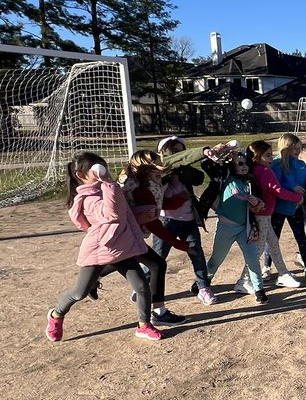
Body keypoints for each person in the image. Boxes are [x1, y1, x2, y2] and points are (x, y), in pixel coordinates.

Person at [45, 152, 163, 342]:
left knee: (141, 286)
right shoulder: (88, 199)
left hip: (122, 247)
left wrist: (143, 213)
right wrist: (109, 183)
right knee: (79, 292)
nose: (102, 173)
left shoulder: (107, 189)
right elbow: (113, 214)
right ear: (81, 175)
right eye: (95, 170)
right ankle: (56, 315)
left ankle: (144, 325)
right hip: (99, 251)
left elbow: (124, 213)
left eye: (103, 167)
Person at [119, 150, 186, 326]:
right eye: (157, 163)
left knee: (113, 264)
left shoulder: (147, 184)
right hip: (128, 236)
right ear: (146, 168)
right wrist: (180, 244)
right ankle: (158, 312)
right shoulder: (141, 189)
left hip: (129, 235)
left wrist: (178, 201)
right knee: (157, 265)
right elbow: (154, 224)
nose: (161, 167)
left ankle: (92, 280)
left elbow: (157, 205)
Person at [155, 136, 215, 305]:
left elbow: (198, 178)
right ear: (162, 152)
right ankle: (144, 285)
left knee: (197, 253)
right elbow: (170, 163)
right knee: (158, 258)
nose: (180, 154)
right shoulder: (159, 167)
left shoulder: (184, 169)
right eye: (174, 150)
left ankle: (203, 287)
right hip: (165, 220)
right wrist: (202, 150)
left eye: (182, 151)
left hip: (188, 219)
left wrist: (184, 170)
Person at [205, 149, 268, 305]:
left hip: (245, 228)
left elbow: (261, 207)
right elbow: (207, 165)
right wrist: (225, 154)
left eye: (246, 163)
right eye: (240, 163)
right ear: (231, 166)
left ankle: (259, 290)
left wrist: (256, 203)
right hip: (226, 227)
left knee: (252, 258)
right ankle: (203, 283)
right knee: (216, 259)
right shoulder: (226, 178)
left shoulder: (250, 183)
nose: (244, 166)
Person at [243, 140, 305, 290]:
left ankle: (283, 274)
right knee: (258, 249)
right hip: (263, 215)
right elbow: (277, 190)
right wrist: (297, 197)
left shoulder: (255, 169)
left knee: (274, 244)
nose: (271, 159)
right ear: (257, 157)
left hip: (264, 214)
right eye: (267, 156)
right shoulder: (264, 171)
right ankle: (244, 280)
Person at [270, 133, 306, 282]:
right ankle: (266, 267)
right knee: (273, 239)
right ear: (284, 147)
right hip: (278, 209)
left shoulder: (300, 165)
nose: (296, 151)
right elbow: (275, 185)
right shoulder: (276, 164)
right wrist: (292, 187)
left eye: (298, 148)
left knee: (301, 237)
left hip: (295, 207)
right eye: (293, 148)